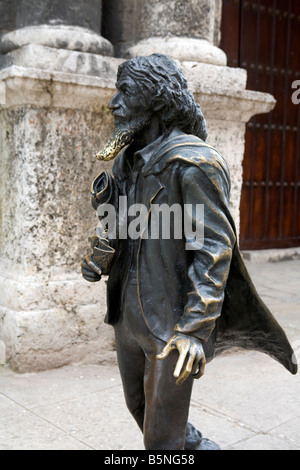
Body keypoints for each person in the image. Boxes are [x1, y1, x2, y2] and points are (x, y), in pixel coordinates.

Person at [81, 54, 297, 450]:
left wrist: (195, 329)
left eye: (124, 92)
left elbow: (214, 249)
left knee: (161, 439)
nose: (113, 102)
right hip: (127, 314)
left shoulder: (193, 164)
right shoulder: (129, 161)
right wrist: (106, 233)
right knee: (141, 410)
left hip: (172, 322)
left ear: (155, 101)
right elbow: (125, 227)